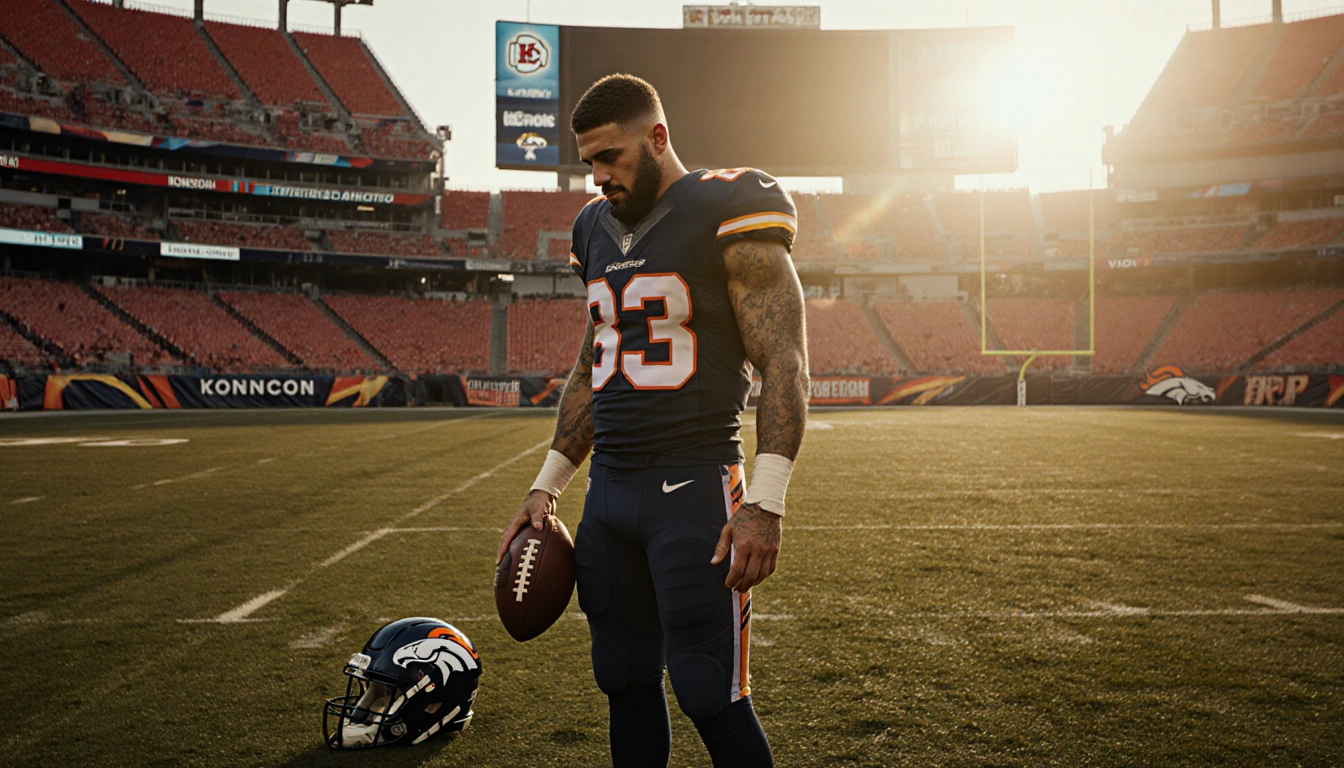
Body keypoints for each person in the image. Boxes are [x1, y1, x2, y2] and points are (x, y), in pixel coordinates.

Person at [497, 74, 809, 768]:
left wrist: (767, 500)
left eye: (611, 156)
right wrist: (547, 485)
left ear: (657, 138)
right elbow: (592, 364)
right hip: (608, 495)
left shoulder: (729, 203)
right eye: (590, 161)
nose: (599, 176)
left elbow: (785, 360)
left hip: (694, 487)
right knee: (623, 679)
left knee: (708, 689)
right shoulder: (592, 228)